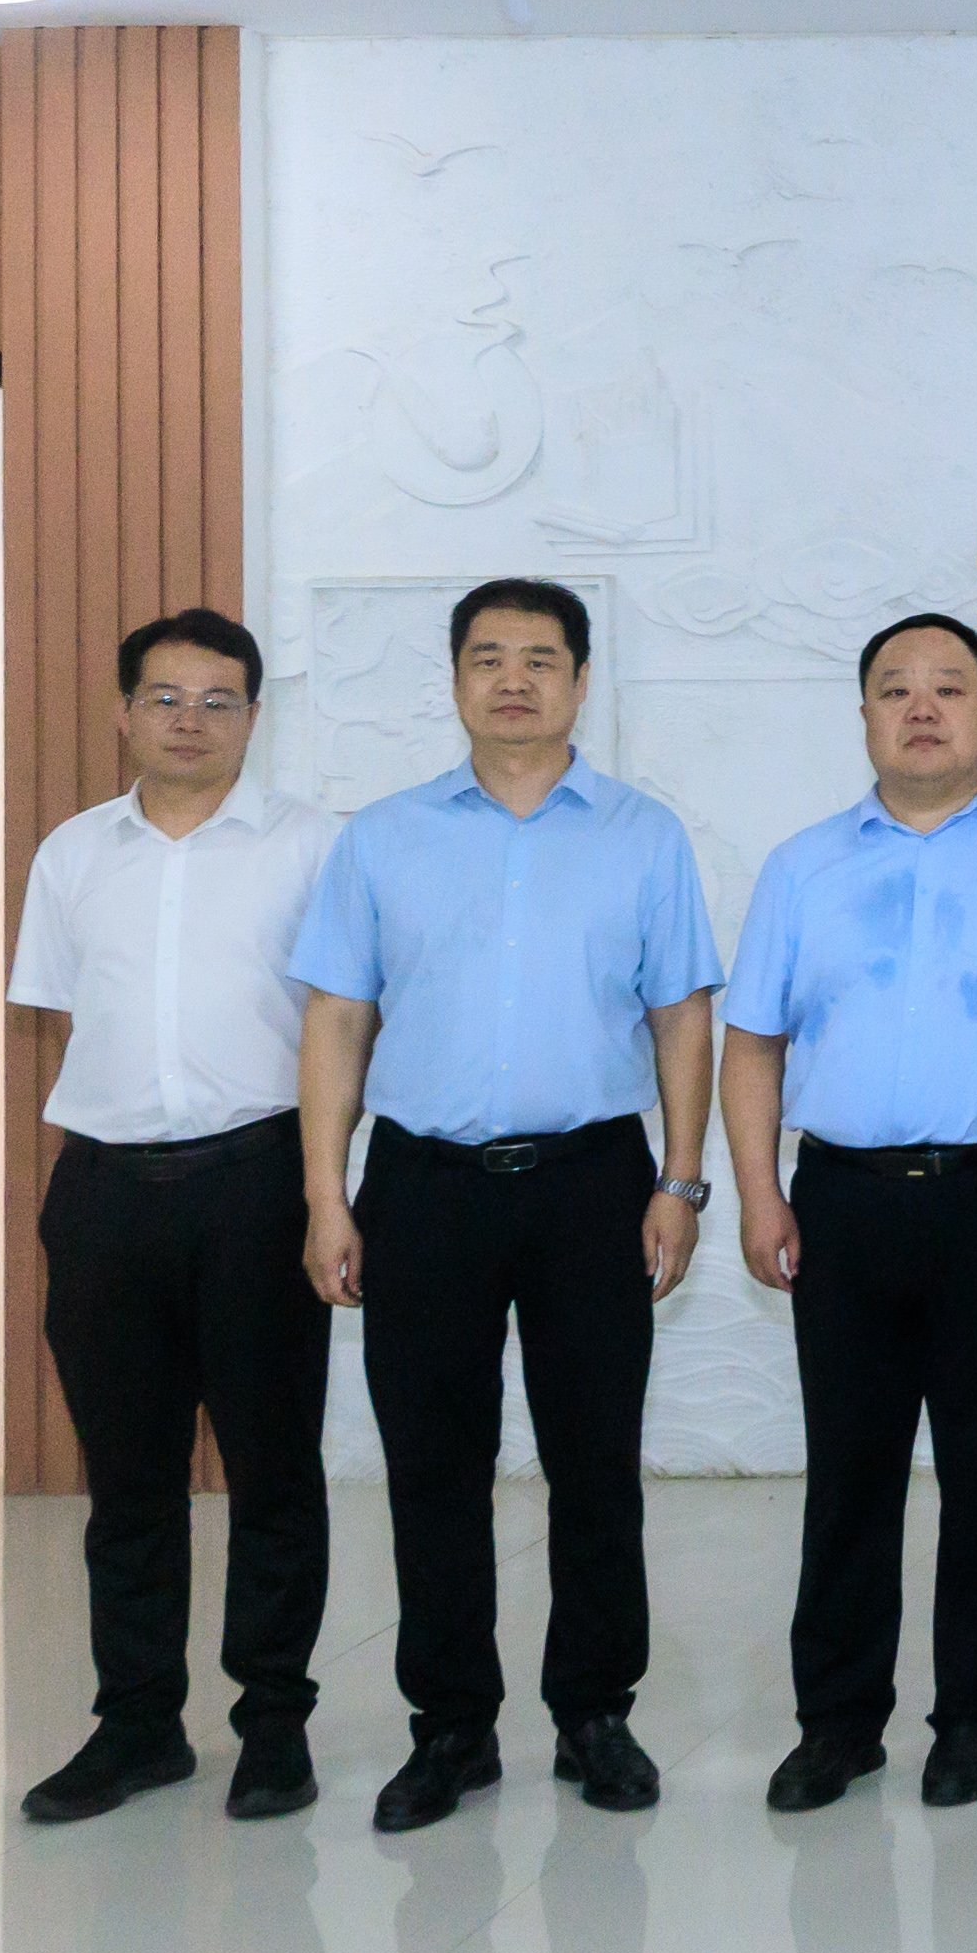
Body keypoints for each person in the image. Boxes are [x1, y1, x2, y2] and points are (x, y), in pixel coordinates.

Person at [292, 579, 721, 1836]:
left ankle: (594, 1712)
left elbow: (681, 1015)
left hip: (594, 1182)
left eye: (541, 657)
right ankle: (451, 1725)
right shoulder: (383, 838)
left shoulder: (643, 835)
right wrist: (326, 1196)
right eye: (489, 658)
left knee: (596, 1461)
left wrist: (680, 1181)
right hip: (422, 1186)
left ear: (582, 680)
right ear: (456, 680)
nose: (515, 679)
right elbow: (338, 1019)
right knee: (434, 1464)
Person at [721, 613, 977, 1814]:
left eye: (949, 687)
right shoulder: (803, 867)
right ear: (865, 717)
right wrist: (757, 1192)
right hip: (842, 1201)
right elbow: (753, 1041)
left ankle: (972, 1723)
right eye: (897, 689)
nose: (924, 708)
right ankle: (837, 1724)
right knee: (851, 1475)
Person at [6, 609, 343, 1826]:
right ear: (122, 712)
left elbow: (345, 1027)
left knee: (272, 1470)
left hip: (257, 1184)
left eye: (217, 700)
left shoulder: (315, 849)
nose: (189, 721)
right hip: (104, 1194)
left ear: (254, 716)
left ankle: (273, 1727)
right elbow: (63, 1009)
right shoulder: (73, 855)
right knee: (128, 1479)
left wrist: (325, 1196)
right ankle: (138, 1724)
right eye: (164, 697)